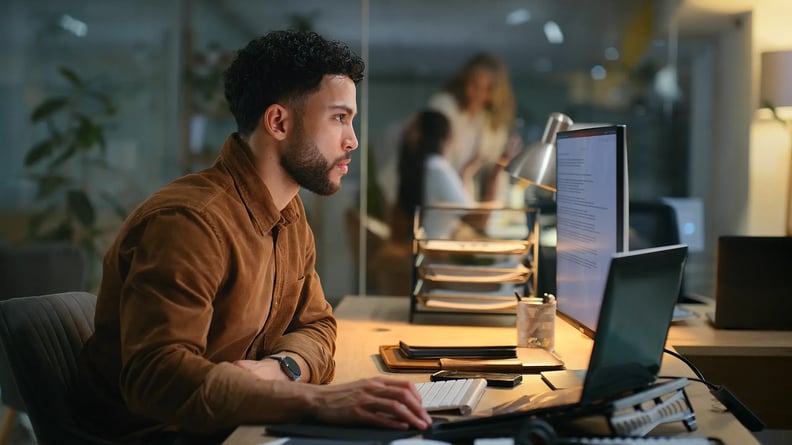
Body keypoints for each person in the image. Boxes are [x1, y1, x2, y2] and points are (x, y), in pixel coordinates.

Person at [71, 30, 432, 444]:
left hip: (242, 425)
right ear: (278, 122)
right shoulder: (189, 223)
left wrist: (283, 369)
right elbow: (157, 378)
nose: (352, 140)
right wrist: (314, 402)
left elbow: (317, 326)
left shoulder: (288, 212)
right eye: (339, 118)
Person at [427, 52, 518, 204]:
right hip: (440, 200)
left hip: (462, 198)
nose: (475, 93)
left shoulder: (485, 119)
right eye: (473, 84)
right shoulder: (445, 108)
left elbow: (492, 164)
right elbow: (438, 168)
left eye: (486, 88)